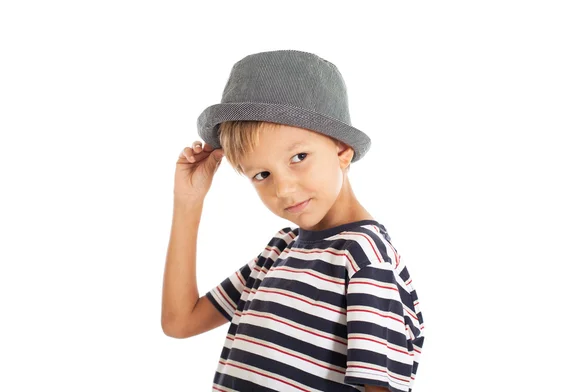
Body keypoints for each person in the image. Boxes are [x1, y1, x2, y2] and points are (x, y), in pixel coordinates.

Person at [162, 50, 425, 392]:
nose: (284, 189)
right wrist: (189, 202)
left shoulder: (363, 258)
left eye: (298, 157)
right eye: (261, 174)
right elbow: (180, 321)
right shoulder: (279, 250)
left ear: (342, 149)